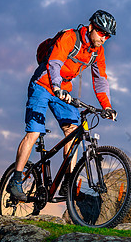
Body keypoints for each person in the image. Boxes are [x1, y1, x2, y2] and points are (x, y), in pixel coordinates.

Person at [7, 10, 117, 200]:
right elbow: (54, 63)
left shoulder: (97, 51)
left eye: (107, 35)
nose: (104, 38)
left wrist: (107, 106)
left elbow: (100, 79)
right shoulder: (69, 37)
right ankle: (16, 180)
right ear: (91, 27)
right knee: (33, 132)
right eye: (101, 32)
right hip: (43, 85)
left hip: (63, 90)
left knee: (73, 131)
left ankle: (68, 183)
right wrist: (56, 87)